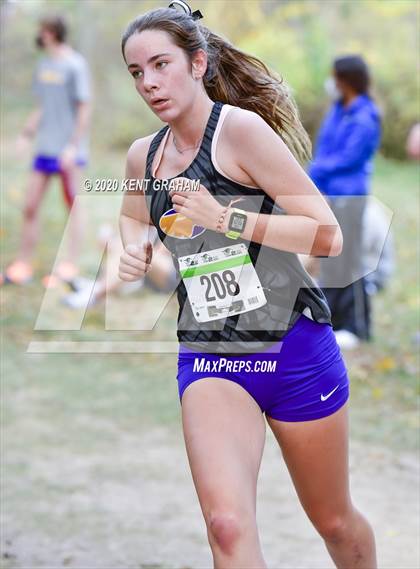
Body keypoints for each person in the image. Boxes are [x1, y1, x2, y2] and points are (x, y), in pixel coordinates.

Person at [118, 3, 377, 567]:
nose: (149, 82)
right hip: (212, 356)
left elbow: (326, 237)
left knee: (334, 520)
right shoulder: (145, 155)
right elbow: (134, 219)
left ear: (197, 63)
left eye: (160, 64)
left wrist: (225, 218)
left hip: (292, 347)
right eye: (137, 72)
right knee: (227, 527)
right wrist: (134, 249)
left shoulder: (240, 132)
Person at [3, 15, 91, 285]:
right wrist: (26, 134)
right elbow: (42, 106)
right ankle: (23, 265)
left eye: (41, 30)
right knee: (29, 206)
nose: (38, 35)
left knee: (73, 207)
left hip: (68, 153)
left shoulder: (76, 65)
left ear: (51, 33)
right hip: (44, 149)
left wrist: (72, 147)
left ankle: (70, 265)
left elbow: (84, 108)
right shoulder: (43, 65)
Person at [309, 56, 382, 349]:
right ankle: (335, 321)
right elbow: (325, 147)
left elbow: (349, 158)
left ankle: (357, 325)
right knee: (331, 261)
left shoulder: (366, 116)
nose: (332, 82)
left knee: (350, 260)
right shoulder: (338, 111)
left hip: (350, 195)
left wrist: (315, 170)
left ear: (346, 79)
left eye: (335, 77)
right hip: (329, 195)